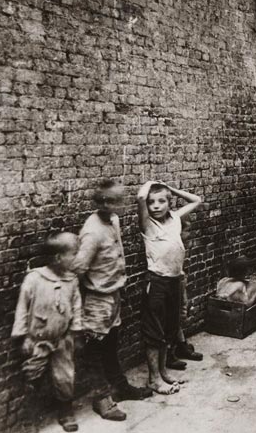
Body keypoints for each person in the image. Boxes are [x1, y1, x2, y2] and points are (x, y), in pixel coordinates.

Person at [73, 179, 151, 422]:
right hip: (97, 299)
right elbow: (78, 268)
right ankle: (101, 398)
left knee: (111, 343)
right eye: (108, 200)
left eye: (117, 199)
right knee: (95, 349)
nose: (113, 204)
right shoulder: (92, 232)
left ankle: (119, 385)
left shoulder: (114, 220)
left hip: (113, 295)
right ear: (100, 202)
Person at [12, 233, 83, 432]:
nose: (77, 259)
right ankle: (29, 417)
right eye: (73, 255)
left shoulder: (72, 280)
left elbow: (76, 306)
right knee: (32, 375)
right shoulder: (34, 279)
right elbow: (22, 308)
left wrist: (75, 331)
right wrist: (23, 336)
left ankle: (66, 412)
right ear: (58, 257)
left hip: (62, 338)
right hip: (38, 339)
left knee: (65, 377)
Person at [136, 180, 202, 394]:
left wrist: (170, 189)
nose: (155, 206)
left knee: (169, 329)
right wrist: (152, 183)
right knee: (154, 331)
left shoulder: (174, 218)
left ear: (169, 203)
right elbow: (140, 198)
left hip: (175, 281)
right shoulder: (148, 224)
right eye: (152, 202)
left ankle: (163, 372)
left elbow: (196, 200)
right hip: (157, 281)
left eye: (161, 201)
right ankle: (154, 378)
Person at [167, 215, 202, 371]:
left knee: (181, 312)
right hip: (172, 280)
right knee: (174, 314)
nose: (189, 234)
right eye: (187, 230)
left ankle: (181, 345)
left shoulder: (181, 245)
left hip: (180, 278)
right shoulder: (171, 244)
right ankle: (169, 352)